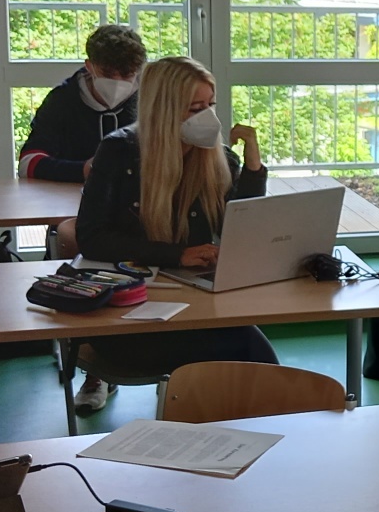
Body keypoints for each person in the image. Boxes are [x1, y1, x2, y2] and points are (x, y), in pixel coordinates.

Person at [70, 55, 277, 410]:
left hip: (194, 306)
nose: (207, 116)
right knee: (245, 349)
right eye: (195, 108)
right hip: (129, 315)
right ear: (164, 110)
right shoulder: (120, 152)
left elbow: (239, 230)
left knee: (251, 349)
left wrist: (254, 169)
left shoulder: (217, 158)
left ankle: (250, 429)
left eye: (210, 105)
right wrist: (176, 255)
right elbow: (91, 238)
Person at [19, 24, 147, 259]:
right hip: (76, 212)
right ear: (90, 66)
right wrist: (84, 170)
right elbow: (29, 162)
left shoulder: (148, 101)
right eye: (108, 73)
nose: (117, 81)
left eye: (127, 75)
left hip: (140, 215)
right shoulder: (62, 101)